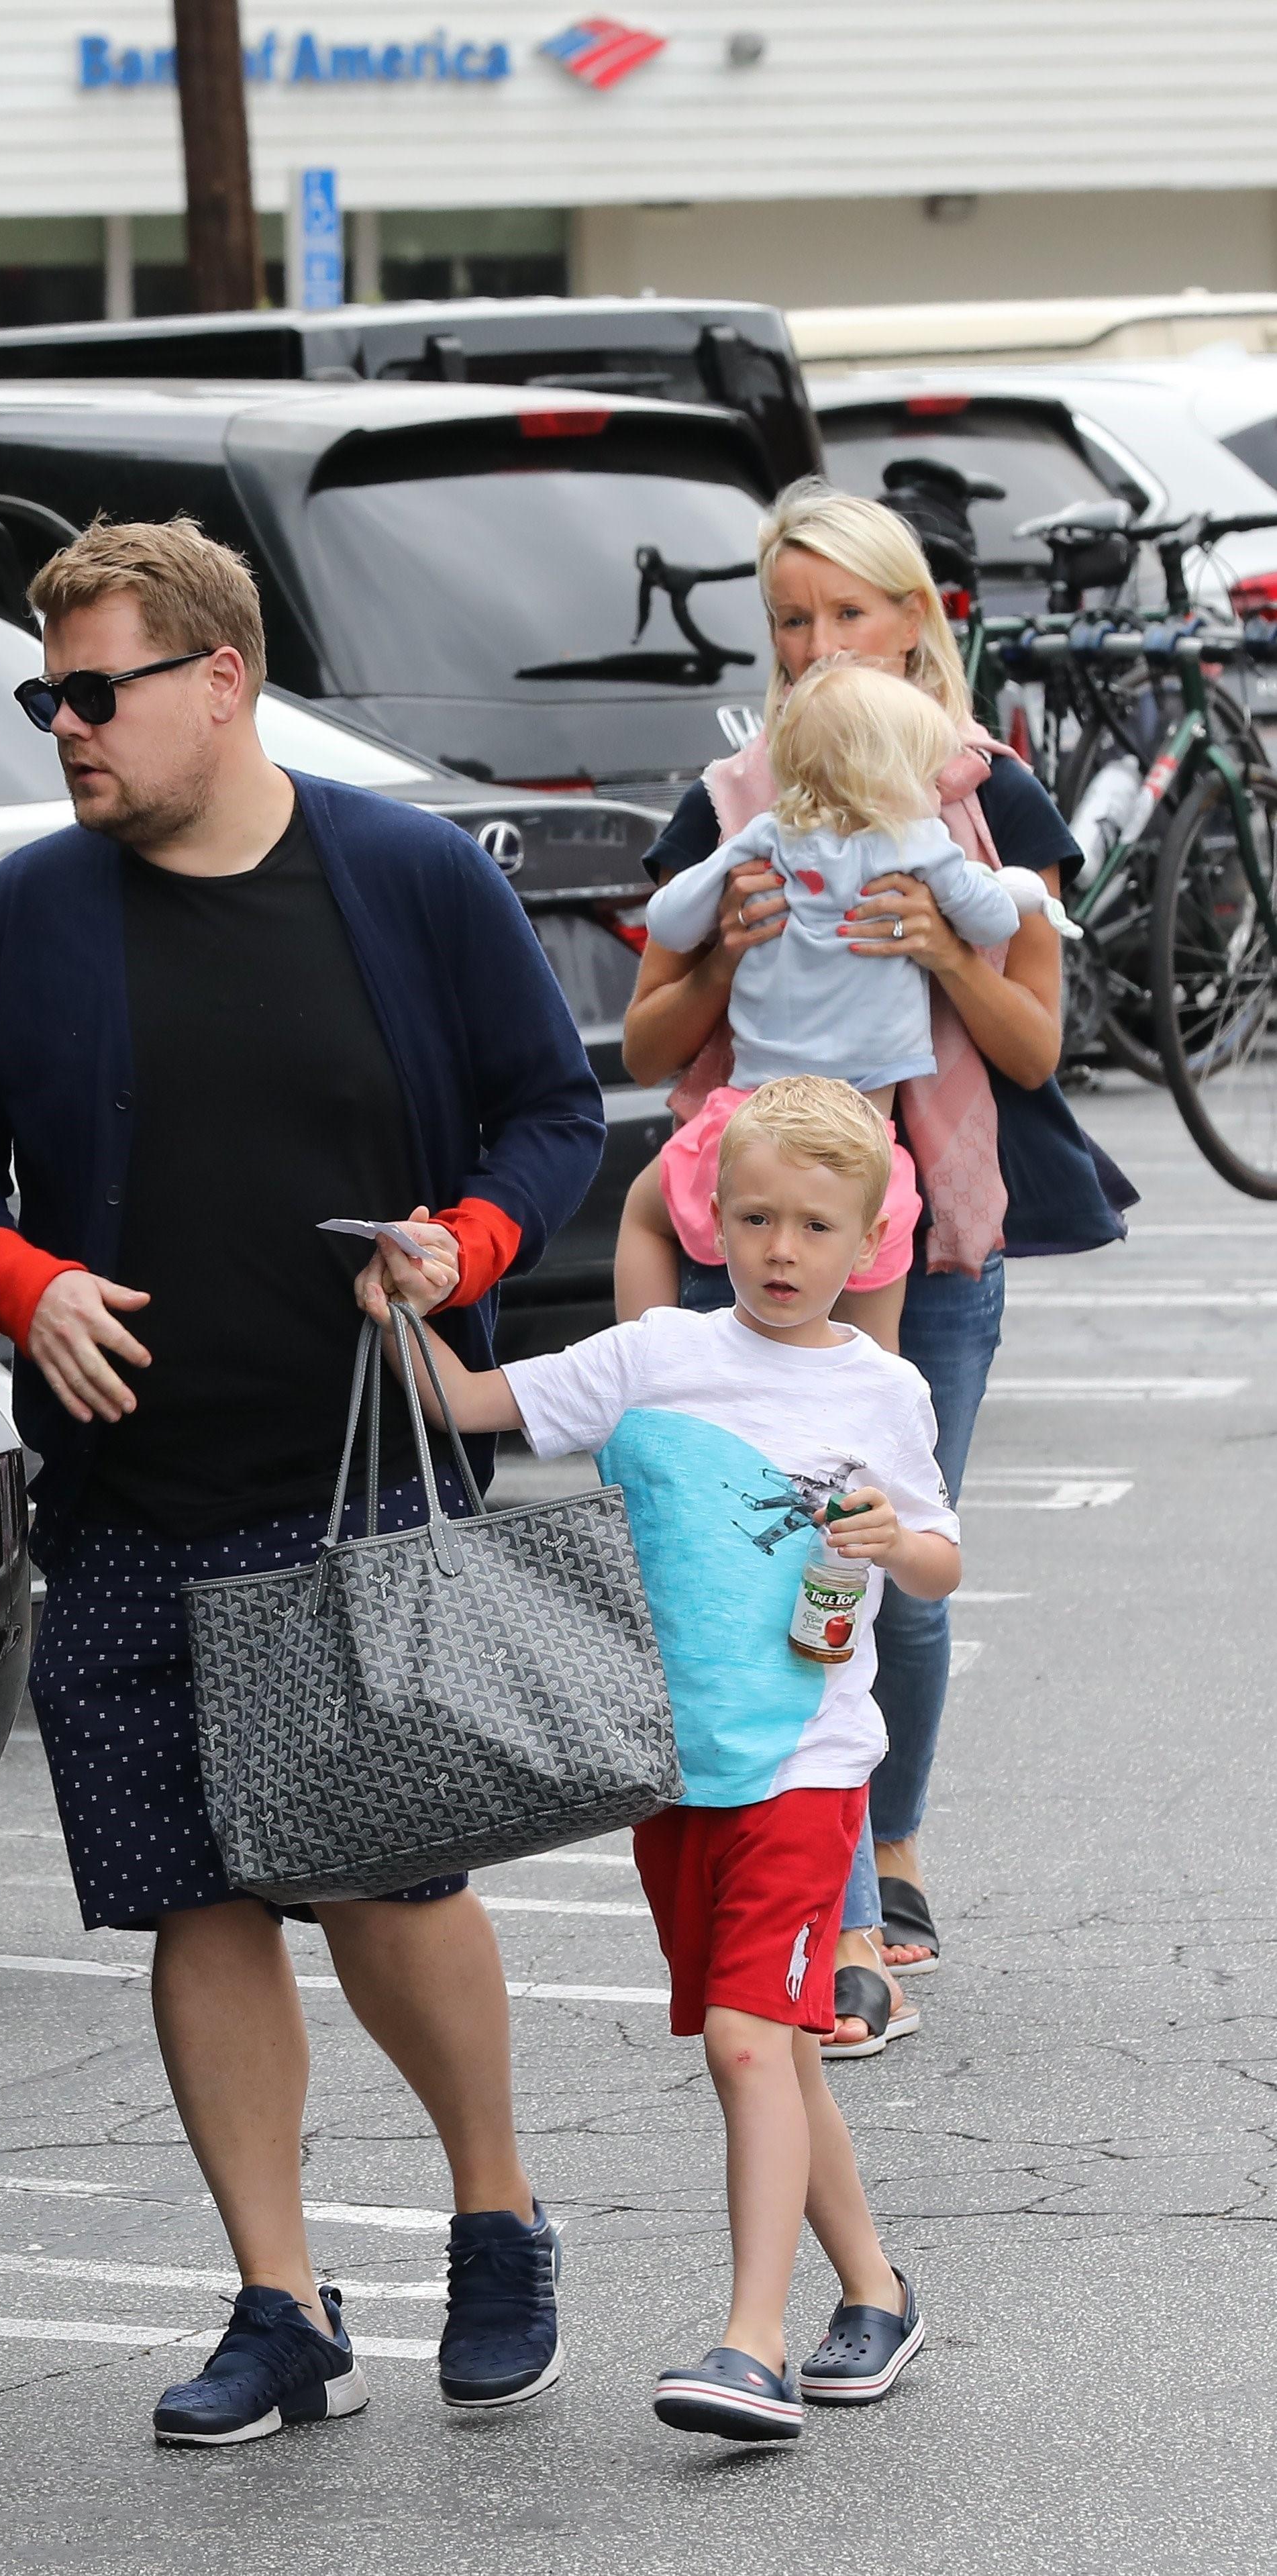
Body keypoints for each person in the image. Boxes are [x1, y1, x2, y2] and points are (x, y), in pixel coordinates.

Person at [0, 514, 605, 2445]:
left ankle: (493, 2213)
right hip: (128, 1492)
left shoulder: (406, 877)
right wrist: (16, 1280)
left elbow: (550, 1108)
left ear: (221, 677)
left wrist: (460, 1236)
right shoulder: (35, 909)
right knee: (196, 1900)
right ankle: (278, 2297)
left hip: (345, 1461)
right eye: (47, 696)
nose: (65, 728)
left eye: (95, 690)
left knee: (382, 1873)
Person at [360, 1078, 958, 2441]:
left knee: (753, 2042)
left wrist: (888, 1545)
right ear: (710, 1220)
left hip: (808, 1767)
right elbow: (461, 1402)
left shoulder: (878, 1386)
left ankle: (751, 2343)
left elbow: (940, 1554)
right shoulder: (651, 1355)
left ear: (867, 1239)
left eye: (815, 1224)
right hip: (668, 1771)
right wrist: (404, 1292)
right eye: (753, 1216)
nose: (781, 1248)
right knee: (778, 2054)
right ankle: (875, 2286)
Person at [621, 477, 1129, 2057]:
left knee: (895, 1562)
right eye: (790, 619)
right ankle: (835, 1918)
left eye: (850, 612)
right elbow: (651, 1042)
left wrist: (937, 954)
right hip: (755, 1233)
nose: (819, 643)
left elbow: (1039, 1048)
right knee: (803, 1557)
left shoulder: (982, 808)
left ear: (918, 624)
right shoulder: (732, 804)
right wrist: (715, 952)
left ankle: (882, 1848)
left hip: (937, 1237)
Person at [617, 658, 1033, 1353]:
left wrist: (721, 913)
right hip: (859, 1147)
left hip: (748, 1129)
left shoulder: (763, 838)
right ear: (892, 774)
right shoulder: (916, 846)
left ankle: (642, 1375)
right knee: (872, 1352)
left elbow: (666, 920)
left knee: (643, 1213)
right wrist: (1009, 890)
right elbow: (993, 921)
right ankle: (870, 1447)